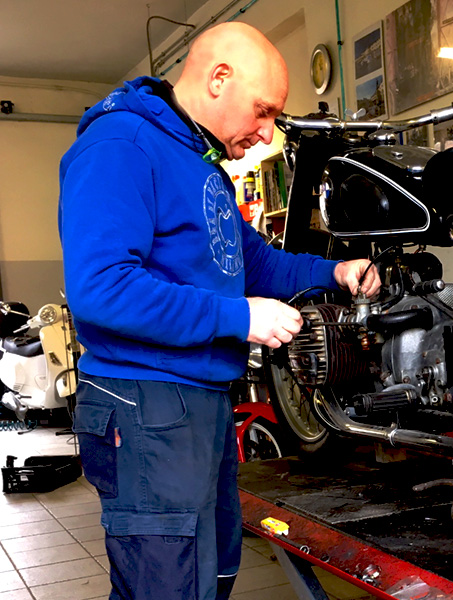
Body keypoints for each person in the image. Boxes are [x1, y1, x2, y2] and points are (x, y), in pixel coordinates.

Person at [58, 22, 379, 600]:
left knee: (210, 580)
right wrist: (239, 318)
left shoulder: (199, 162)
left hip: (199, 406)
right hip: (145, 406)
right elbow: (101, 288)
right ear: (218, 79)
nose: (267, 132)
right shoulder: (121, 146)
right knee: (168, 592)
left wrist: (335, 272)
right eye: (263, 112)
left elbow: (254, 264)